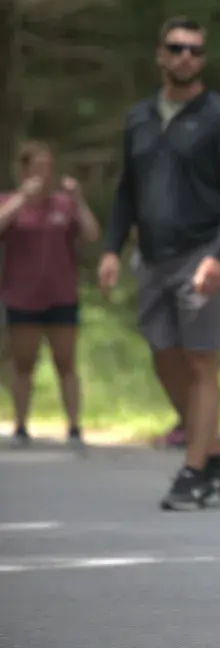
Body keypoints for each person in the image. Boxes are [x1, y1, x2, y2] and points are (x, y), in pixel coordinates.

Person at [97, 16, 220, 511]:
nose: (186, 56)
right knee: (163, 354)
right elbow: (128, 190)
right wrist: (109, 248)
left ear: (202, 59)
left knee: (201, 359)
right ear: (160, 55)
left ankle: (194, 472)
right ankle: (215, 456)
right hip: (152, 257)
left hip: (199, 254)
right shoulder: (139, 118)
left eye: (195, 50)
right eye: (176, 48)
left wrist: (219, 256)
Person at [0, 140, 101, 446]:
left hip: (61, 294)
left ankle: (73, 426)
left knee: (66, 362)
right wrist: (21, 199)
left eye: (48, 166)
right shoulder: (9, 202)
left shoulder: (63, 204)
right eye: (37, 167)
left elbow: (92, 235)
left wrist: (79, 200)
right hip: (21, 295)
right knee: (24, 364)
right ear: (24, 169)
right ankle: (20, 426)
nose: (44, 173)